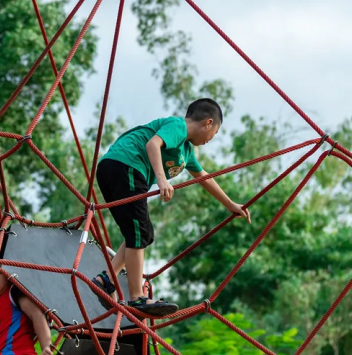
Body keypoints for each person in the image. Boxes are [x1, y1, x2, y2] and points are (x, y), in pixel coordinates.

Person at [94, 98, 251, 317]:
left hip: (120, 169)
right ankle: (137, 297)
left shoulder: (186, 151)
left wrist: (230, 205)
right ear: (208, 123)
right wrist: (162, 180)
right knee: (139, 233)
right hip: (126, 165)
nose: (210, 140)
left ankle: (106, 280)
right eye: (214, 133)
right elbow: (152, 144)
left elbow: (203, 177)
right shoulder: (178, 126)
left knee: (141, 234)